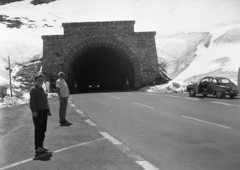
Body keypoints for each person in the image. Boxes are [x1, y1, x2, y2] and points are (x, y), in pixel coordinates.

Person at [30, 73, 51, 153]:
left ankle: (41, 144)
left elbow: (45, 100)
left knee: (43, 129)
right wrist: (34, 111)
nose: (41, 81)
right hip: (38, 112)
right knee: (38, 129)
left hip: (44, 111)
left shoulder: (42, 88)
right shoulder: (34, 89)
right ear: (35, 81)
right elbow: (32, 102)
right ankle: (37, 146)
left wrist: (48, 110)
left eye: (42, 80)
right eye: (39, 80)